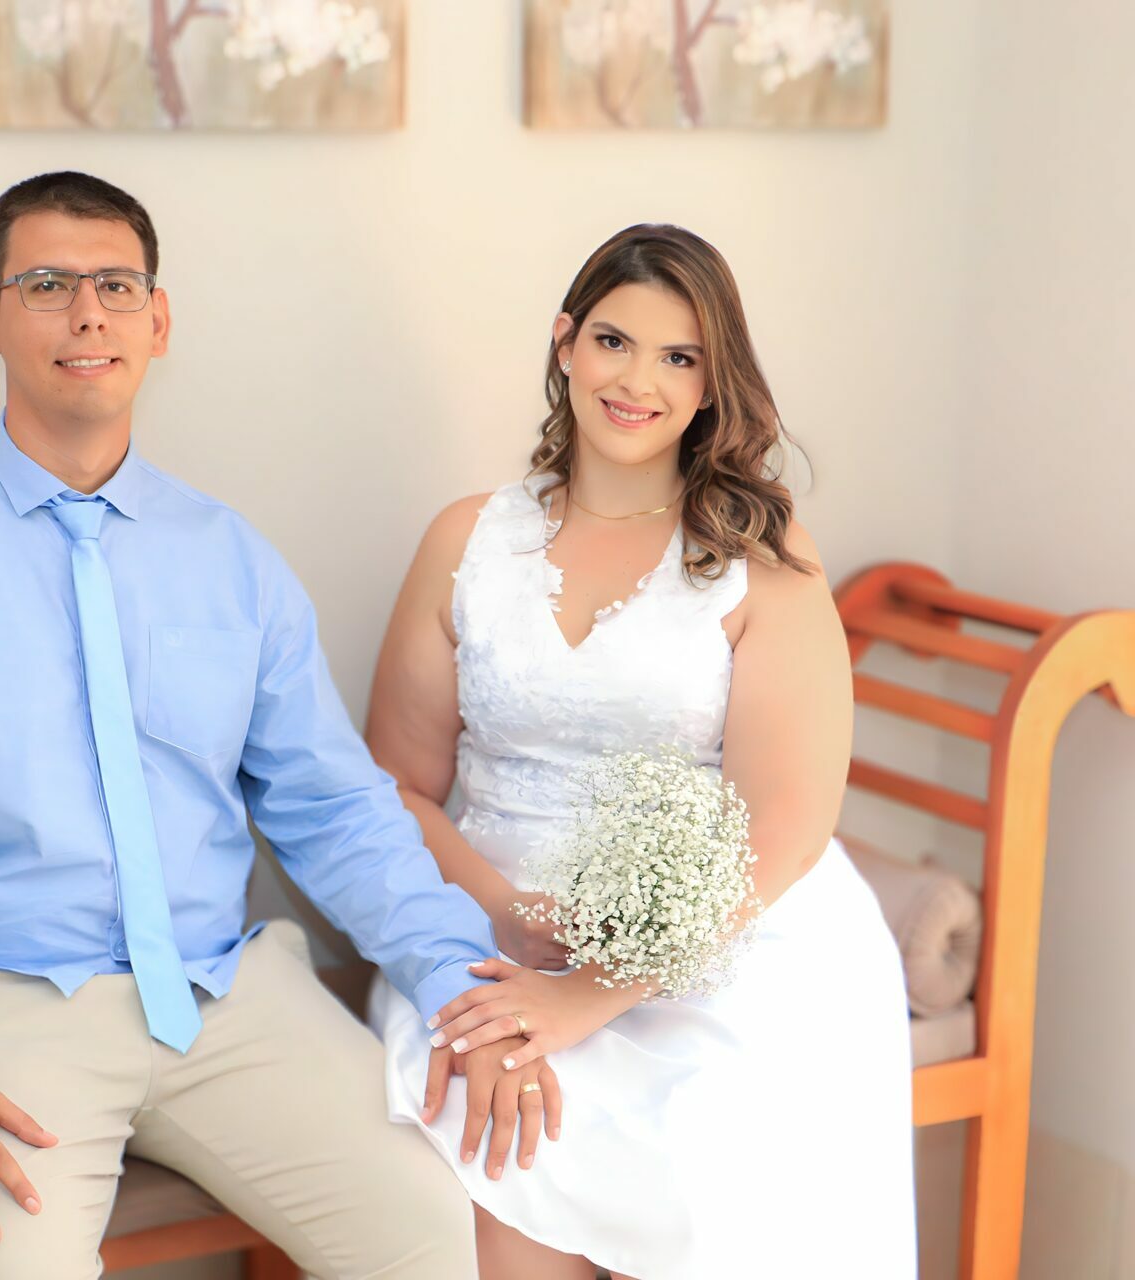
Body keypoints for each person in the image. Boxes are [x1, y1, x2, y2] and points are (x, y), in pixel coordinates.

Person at [0, 170, 552, 1277]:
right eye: (47, 284)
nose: (88, 314)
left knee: (439, 1242)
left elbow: (336, 810)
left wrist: (456, 982)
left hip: (231, 997)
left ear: (157, 322)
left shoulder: (233, 560)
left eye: (116, 286)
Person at [363, 223, 917, 1279]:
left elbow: (785, 827)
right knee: (498, 1136)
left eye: (679, 357)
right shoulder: (466, 541)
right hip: (484, 920)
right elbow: (393, 786)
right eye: (615, 341)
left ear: (711, 384)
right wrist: (507, 914)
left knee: (702, 1159)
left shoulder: (761, 559)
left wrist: (589, 993)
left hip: (733, 940)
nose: (638, 382)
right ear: (566, 342)